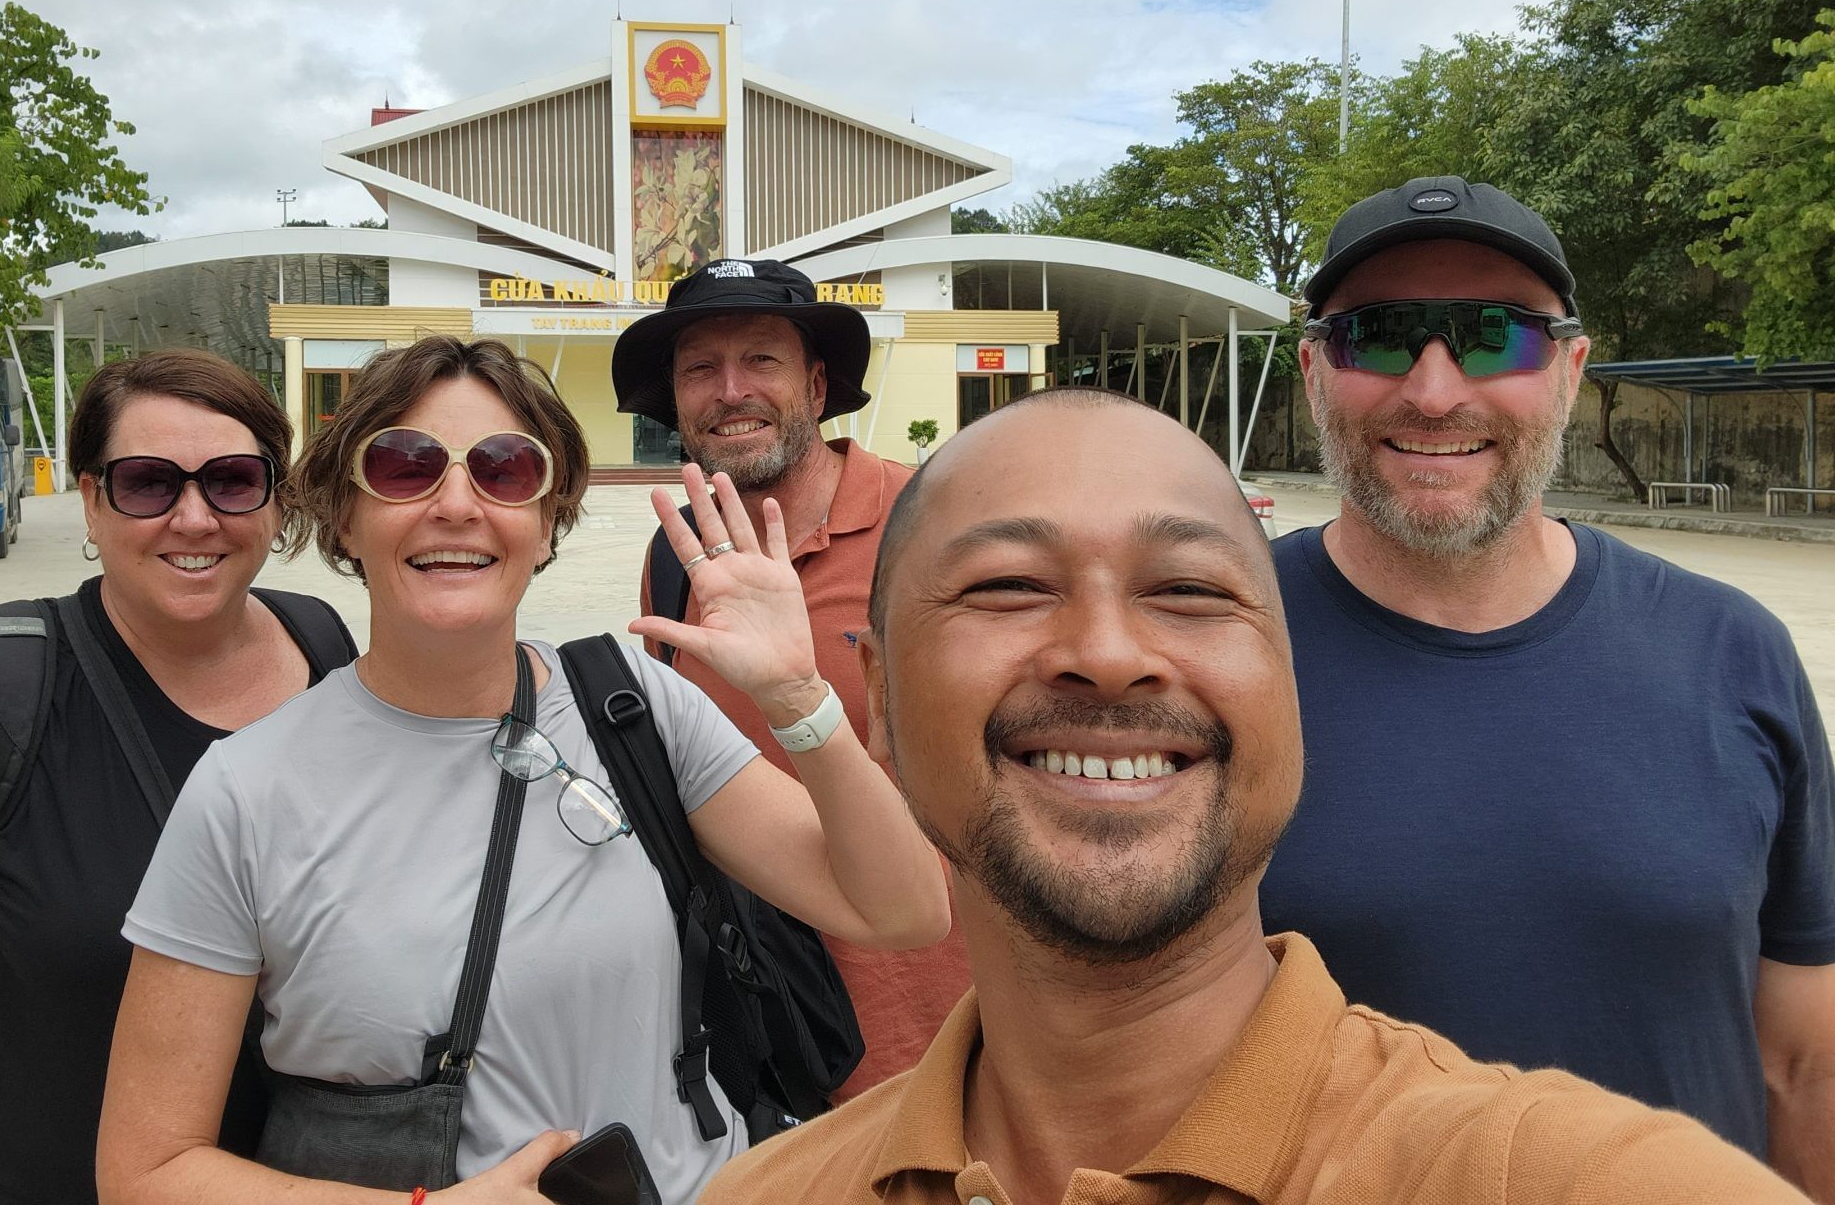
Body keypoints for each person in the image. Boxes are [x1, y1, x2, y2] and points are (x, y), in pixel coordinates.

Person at [705, 387, 1807, 1205]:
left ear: (1288, 689)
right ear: (880, 701)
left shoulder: (1573, 1179)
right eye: (1007, 587)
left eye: (1190, 591)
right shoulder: (766, 1194)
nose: (1107, 654)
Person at [98, 336, 949, 1204]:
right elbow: (145, 1170)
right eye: (403, 467)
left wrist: (799, 699)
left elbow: (905, 910)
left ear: (547, 522)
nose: (455, 504)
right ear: (344, 516)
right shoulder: (245, 793)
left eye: (504, 470)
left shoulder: (635, 709)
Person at [1257, 176, 1835, 1192]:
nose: (1434, 391)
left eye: (1497, 337)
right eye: (1378, 337)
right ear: (1314, 370)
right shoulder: (1213, 650)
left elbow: (1803, 1063)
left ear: (1570, 370)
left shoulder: (1731, 652)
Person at [0, 351, 357, 1205]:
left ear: (275, 501)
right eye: (146, 483)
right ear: (91, 499)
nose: (194, 517)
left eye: (233, 481)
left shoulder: (322, 644)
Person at [613, 257, 972, 1099]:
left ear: (816, 386)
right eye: (700, 368)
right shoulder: (677, 558)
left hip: (941, 1035)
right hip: (752, 1043)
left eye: (761, 360)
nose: (730, 390)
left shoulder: (939, 527)